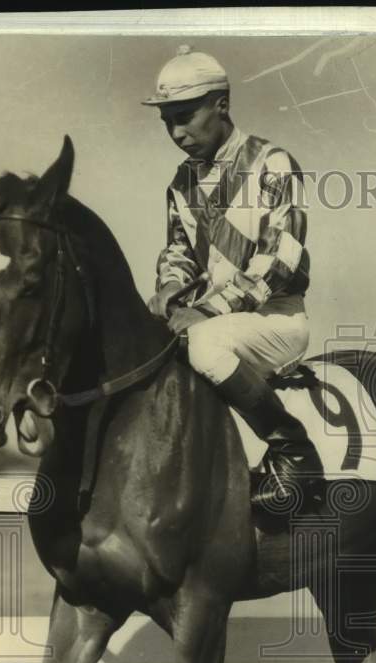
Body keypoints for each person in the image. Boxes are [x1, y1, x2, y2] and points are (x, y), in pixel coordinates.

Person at [143, 44, 323, 506]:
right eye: (167, 121)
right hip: (213, 319)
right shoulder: (181, 182)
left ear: (221, 104)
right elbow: (179, 252)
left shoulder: (273, 163)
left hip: (275, 320)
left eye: (185, 116)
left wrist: (205, 311)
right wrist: (168, 288)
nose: (176, 132)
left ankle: (292, 453)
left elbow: (279, 263)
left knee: (205, 343)